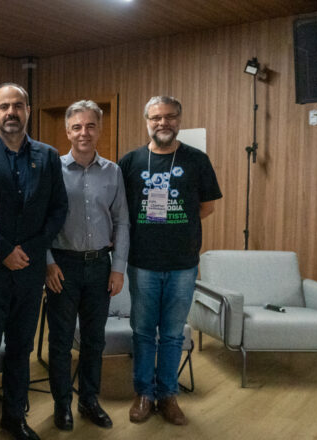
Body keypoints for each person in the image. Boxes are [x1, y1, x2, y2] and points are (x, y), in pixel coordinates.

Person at [0, 83, 68, 440]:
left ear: (27, 110)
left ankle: (14, 416)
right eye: (4, 106)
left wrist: (33, 248)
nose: (11, 112)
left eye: (18, 105)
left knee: (21, 348)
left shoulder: (49, 155)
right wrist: (3, 249)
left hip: (29, 272)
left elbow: (59, 209)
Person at [117, 96, 222, 426]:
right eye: (156, 117)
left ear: (179, 119)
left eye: (170, 117)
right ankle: (144, 394)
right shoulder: (130, 161)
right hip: (142, 263)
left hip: (182, 264)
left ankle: (168, 396)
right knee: (144, 332)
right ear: (146, 120)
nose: (163, 123)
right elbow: (119, 212)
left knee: (174, 334)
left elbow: (207, 207)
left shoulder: (196, 160)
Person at [44, 100, 129, 431]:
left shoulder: (114, 172)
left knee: (94, 340)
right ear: (67, 131)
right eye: (77, 127)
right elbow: (41, 223)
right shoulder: (53, 170)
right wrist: (47, 263)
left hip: (99, 267)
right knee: (62, 341)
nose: (84, 132)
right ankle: (62, 403)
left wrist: (118, 267)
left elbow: (122, 222)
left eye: (90, 125)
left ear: (99, 129)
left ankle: (89, 400)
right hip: (61, 267)